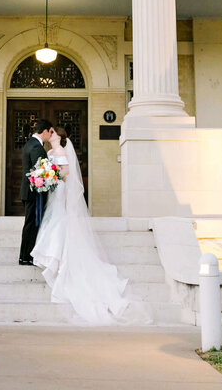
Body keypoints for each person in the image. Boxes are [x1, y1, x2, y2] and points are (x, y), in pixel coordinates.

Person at [31, 124, 151, 325]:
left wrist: (51, 176)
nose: (49, 134)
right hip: (54, 191)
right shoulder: (50, 151)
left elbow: (66, 172)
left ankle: (59, 258)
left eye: (52, 133)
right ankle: (54, 256)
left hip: (60, 190)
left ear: (57, 137)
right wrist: (44, 176)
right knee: (54, 220)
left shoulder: (60, 150)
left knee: (60, 221)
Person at [18, 119, 54, 266]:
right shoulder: (37, 147)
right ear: (44, 131)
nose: (50, 135)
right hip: (33, 192)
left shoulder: (30, 144)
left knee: (30, 223)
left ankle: (26, 255)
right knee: (31, 224)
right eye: (50, 132)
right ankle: (26, 256)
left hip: (29, 191)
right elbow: (40, 171)